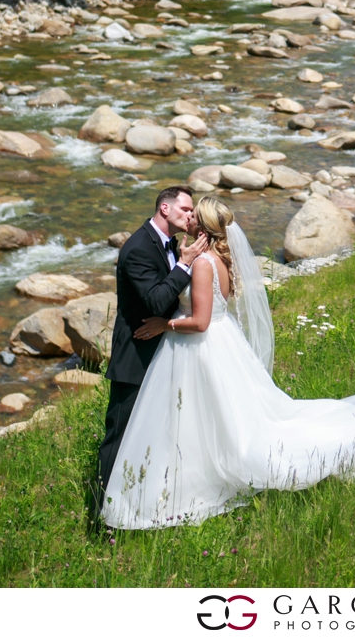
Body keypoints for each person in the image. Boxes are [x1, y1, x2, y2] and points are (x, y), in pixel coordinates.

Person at [101, 197, 355, 530]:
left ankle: (197, 480)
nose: (187, 218)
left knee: (207, 419)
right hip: (217, 346)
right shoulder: (214, 258)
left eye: (194, 215)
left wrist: (166, 324)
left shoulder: (204, 265)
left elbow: (201, 321)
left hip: (201, 346)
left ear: (204, 228)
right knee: (205, 418)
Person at [94, 186, 208, 512]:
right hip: (136, 356)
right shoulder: (138, 249)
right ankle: (103, 511)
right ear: (164, 209)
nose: (191, 215)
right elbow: (157, 301)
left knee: (154, 433)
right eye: (186, 209)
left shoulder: (170, 243)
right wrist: (184, 265)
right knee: (120, 435)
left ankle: (142, 502)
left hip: (163, 353)